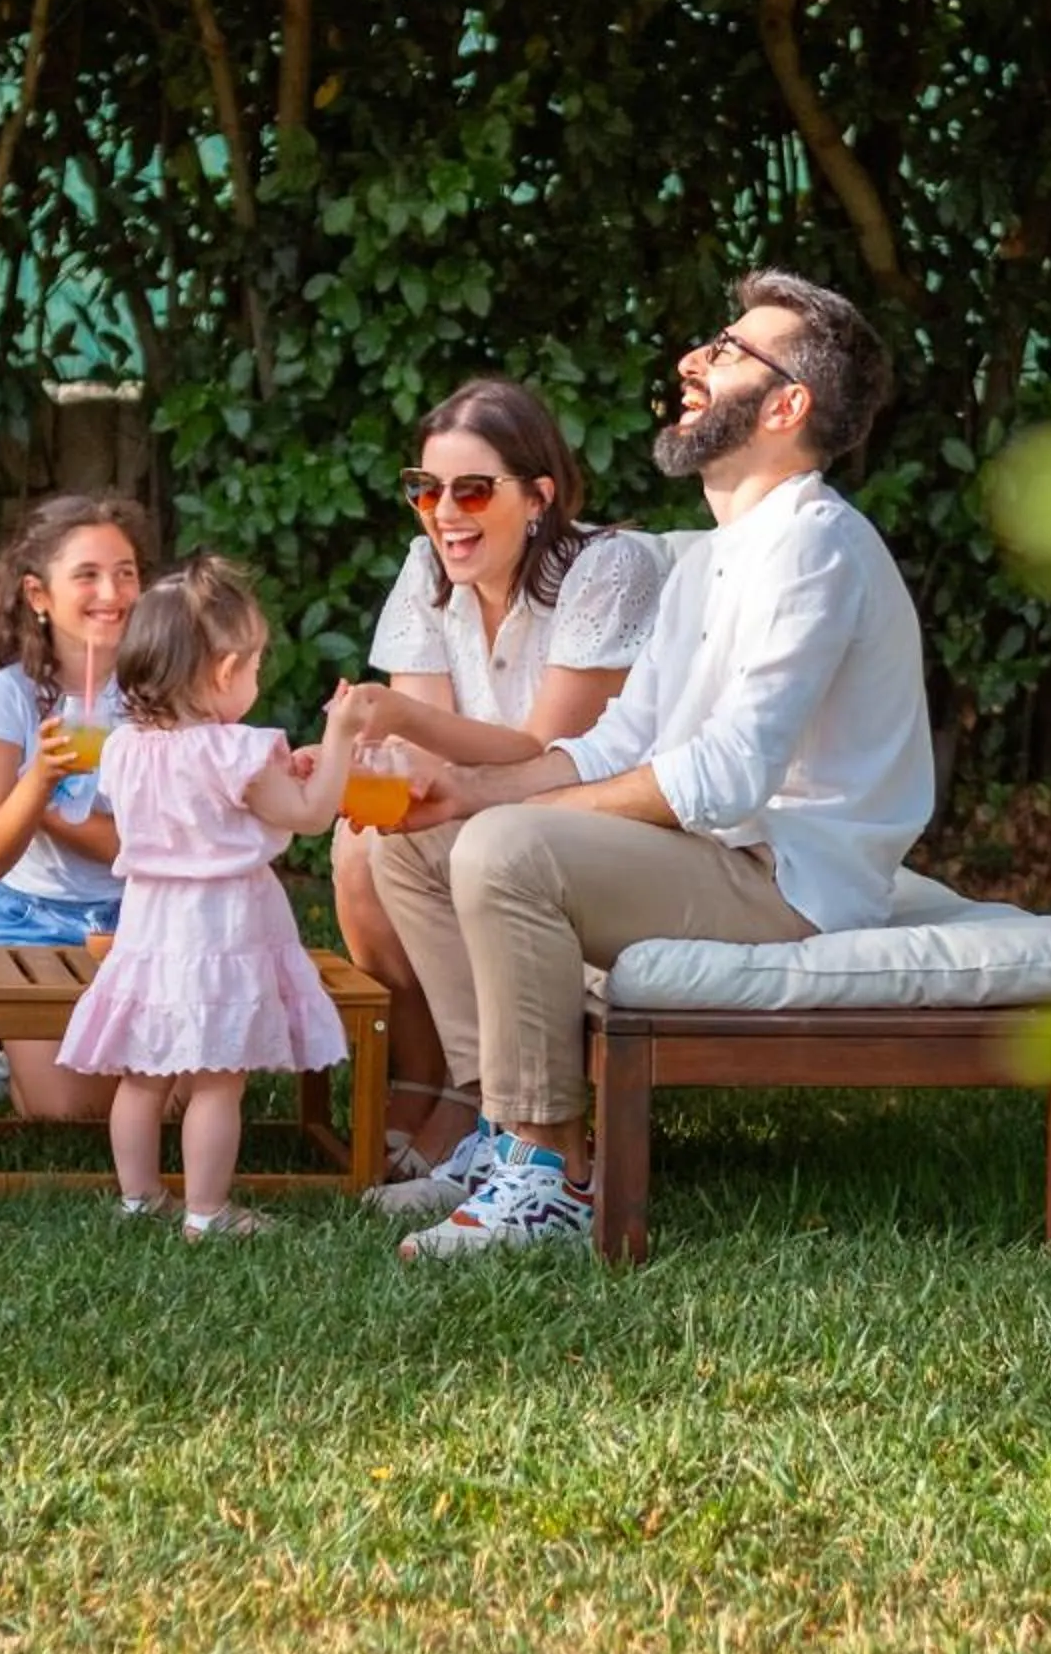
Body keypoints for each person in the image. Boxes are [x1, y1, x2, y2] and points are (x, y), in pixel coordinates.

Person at [365, 268, 936, 1259]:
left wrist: (516, 816)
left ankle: (549, 1181)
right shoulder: (717, 555)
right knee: (419, 842)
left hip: (786, 881)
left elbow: (724, 777)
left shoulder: (817, 549)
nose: (692, 361)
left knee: (506, 851)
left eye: (725, 351)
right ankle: (506, 1132)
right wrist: (470, 788)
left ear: (786, 404)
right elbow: (624, 742)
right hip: (715, 855)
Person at [334, 377, 666, 1188]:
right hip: (487, 807)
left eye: (473, 490)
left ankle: (477, 1112)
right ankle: (458, 1085)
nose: (445, 512)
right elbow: (421, 751)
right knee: (362, 839)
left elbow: (541, 742)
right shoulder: (426, 565)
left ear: (538, 498)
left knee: (412, 837)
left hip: (599, 811)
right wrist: (362, 756)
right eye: (426, 489)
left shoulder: (607, 566)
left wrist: (398, 727)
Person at [57, 555, 378, 1238]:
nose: (257, 680)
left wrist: (269, 785)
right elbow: (313, 814)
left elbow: (193, 813)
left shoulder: (123, 750)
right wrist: (343, 738)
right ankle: (208, 1210)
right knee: (216, 1078)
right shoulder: (238, 751)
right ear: (226, 672)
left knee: (143, 1071)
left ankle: (139, 1198)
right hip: (221, 930)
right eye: (256, 666)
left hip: (151, 928)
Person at [0, 491, 152, 1123]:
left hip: (137, 920)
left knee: (185, 1092)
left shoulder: (162, 694)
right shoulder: (10, 698)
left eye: (125, 573)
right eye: (86, 576)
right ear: (39, 596)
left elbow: (145, 848)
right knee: (68, 1113)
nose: (111, 593)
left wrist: (56, 815)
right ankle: (7, 1048)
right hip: (31, 920)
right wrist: (40, 781)